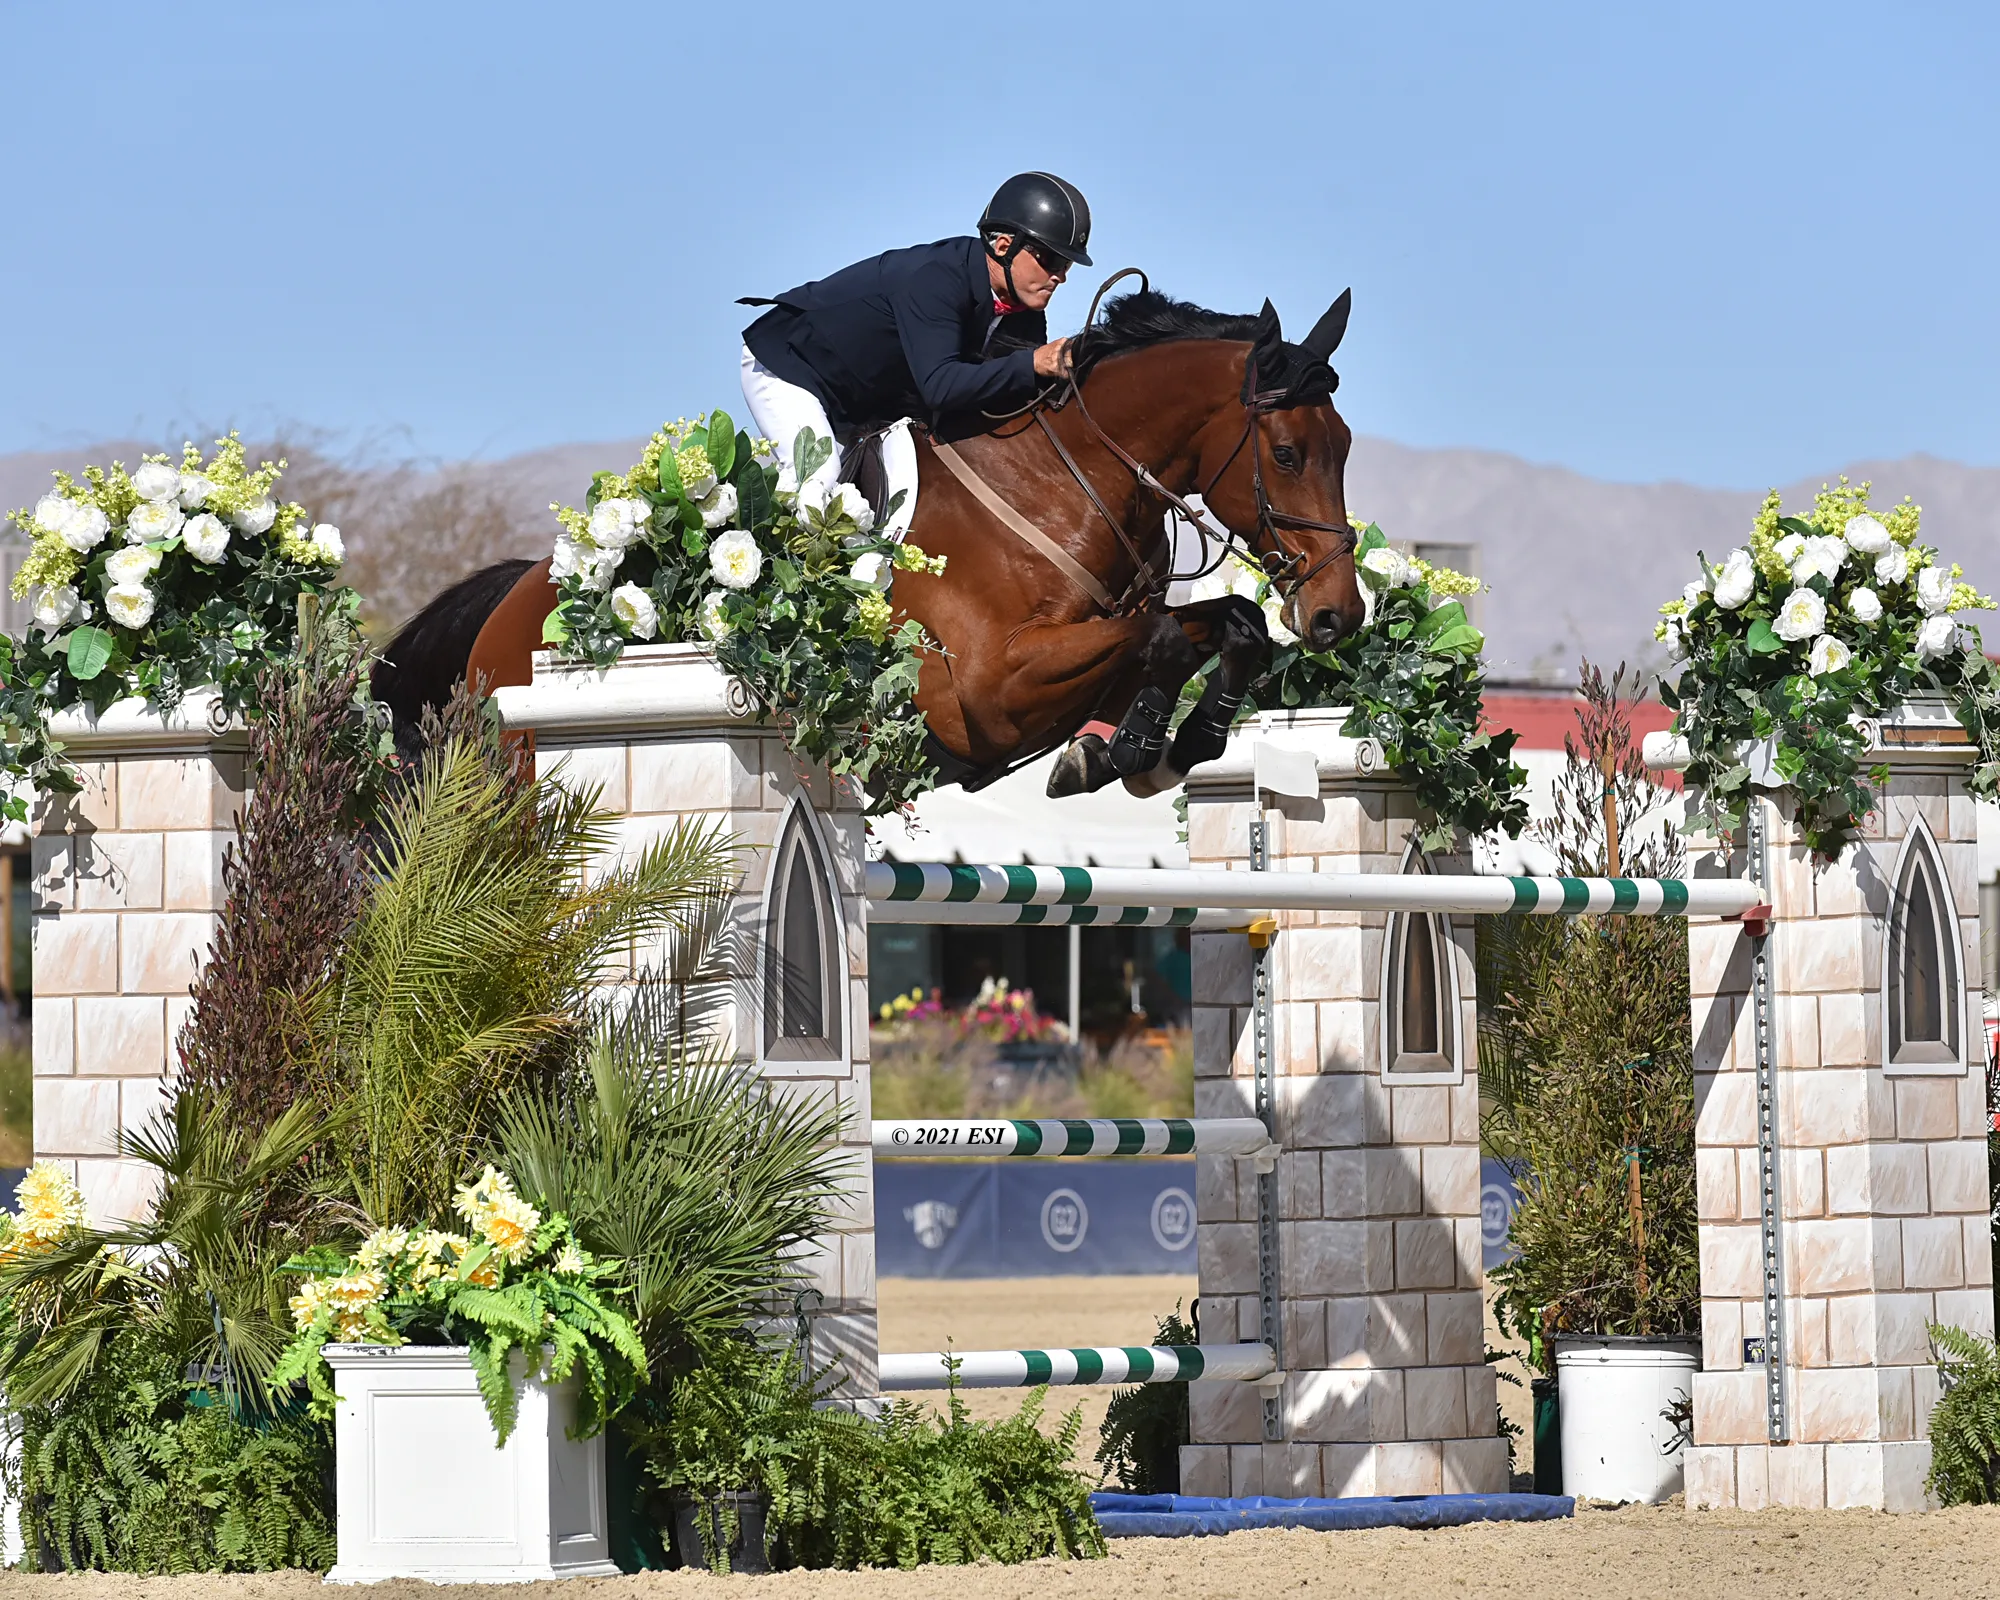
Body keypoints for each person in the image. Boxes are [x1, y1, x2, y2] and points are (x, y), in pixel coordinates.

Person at [738, 172, 1092, 531]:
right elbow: (942, 386)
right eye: (1050, 259)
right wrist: (1034, 363)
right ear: (1003, 246)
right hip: (792, 369)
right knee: (820, 483)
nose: (1060, 276)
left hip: (866, 400)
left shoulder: (1023, 313)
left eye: (1066, 265)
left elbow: (1012, 395)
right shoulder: (936, 277)